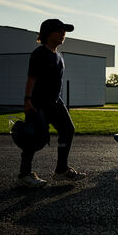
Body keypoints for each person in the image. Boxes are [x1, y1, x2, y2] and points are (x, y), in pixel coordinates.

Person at [18, 19, 86, 187]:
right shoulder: (39, 53)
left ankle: (61, 170)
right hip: (38, 103)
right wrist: (27, 100)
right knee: (35, 139)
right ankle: (24, 175)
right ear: (48, 33)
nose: (63, 34)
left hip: (55, 102)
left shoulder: (59, 55)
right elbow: (31, 78)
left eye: (65, 32)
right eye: (59, 31)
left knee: (68, 129)